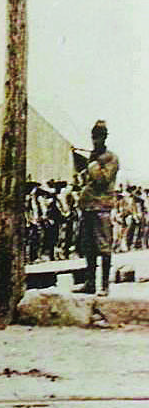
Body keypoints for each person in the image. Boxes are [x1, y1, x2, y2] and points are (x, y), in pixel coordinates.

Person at [76, 120, 119, 296]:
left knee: (104, 247)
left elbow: (103, 180)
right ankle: (90, 283)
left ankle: (104, 285)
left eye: (99, 137)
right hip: (88, 207)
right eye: (93, 138)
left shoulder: (110, 158)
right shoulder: (93, 158)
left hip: (101, 207)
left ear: (104, 138)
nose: (95, 141)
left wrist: (93, 165)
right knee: (88, 247)